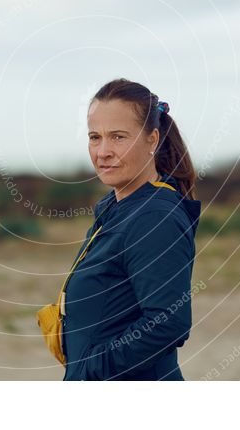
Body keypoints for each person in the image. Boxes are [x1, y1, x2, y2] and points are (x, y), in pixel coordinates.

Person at [61, 78, 202, 381]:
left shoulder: (154, 218)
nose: (103, 151)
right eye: (95, 137)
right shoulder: (116, 207)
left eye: (118, 137)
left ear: (152, 139)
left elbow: (167, 323)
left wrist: (91, 371)